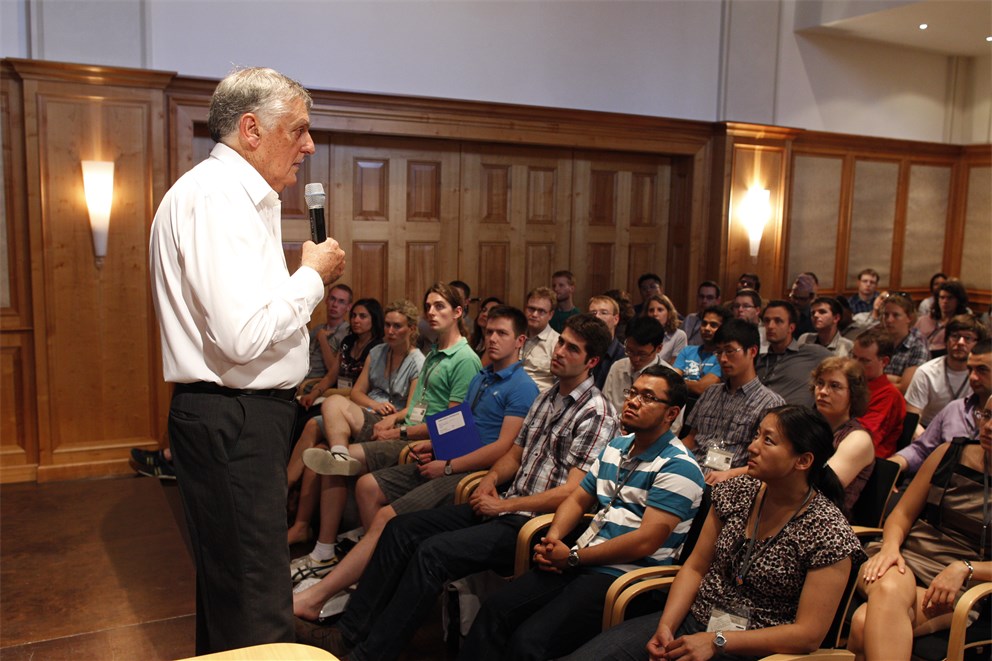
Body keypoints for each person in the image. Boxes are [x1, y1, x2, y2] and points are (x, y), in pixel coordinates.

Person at [148, 67, 346, 654]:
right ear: (252, 129)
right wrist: (311, 276)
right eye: (300, 131)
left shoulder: (234, 198)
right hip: (235, 418)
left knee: (234, 593)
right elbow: (242, 336)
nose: (309, 146)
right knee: (257, 599)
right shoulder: (217, 199)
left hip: (238, 415)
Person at [297, 314, 619, 660]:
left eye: (572, 348)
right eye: (562, 342)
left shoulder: (595, 412)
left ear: (592, 362)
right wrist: (492, 482)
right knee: (399, 528)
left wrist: (499, 501)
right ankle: (349, 634)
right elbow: (512, 454)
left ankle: (369, 653)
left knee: (431, 553)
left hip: (536, 524)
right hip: (503, 501)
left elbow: (573, 491)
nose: (560, 351)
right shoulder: (545, 396)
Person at [292, 306, 538, 619]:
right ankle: (376, 575)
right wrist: (433, 444)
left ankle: (321, 596)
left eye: (501, 333)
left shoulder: (523, 387)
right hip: (451, 454)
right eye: (489, 331)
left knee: (385, 517)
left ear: (519, 340)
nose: (492, 338)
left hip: (473, 472)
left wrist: (447, 465)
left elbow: (504, 449)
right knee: (367, 487)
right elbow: (459, 422)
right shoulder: (482, 377)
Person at [565, 406, 866, 661]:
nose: (752, 446)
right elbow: (695, 567)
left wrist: (717, 641)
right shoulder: (735, 492)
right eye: (757, 435)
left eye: (768, 441)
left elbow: (808, 634)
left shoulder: (828, 532)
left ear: (803, 461)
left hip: (758, 648)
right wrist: (666, 627)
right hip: (693, 621)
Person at [460, 365, 706, 661]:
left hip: (623, 577)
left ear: (671, 414)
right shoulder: (617, 446)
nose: (633, 401)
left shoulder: (679, 465)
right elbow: (578, 499)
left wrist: (573, 557)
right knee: (496, 610)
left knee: (529, 641)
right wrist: (552, 540)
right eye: (633, 392)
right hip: (581, 558)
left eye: (648, 397)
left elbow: (646, 542)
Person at [847, 394, 992, 661]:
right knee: (889, 587)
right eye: (987, 415)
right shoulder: (949, 453)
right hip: (904, 559)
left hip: (959, 586)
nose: (989, 426)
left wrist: (966, 568)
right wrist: (890, 548)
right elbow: (901, 513)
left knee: (862, 623)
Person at [285, 300, 424, 546]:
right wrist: (374, 404)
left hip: (391, 421)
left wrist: (390, 414)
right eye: (388, 325)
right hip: (368, 411)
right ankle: (299, 520)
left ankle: (285, 492)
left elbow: (412, 409)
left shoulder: (417, 361)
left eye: (397, 326)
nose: (390, 331)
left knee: (328, 409)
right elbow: (358, 392)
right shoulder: (378, 351)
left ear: (411, 329)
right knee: (318, 436)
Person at [682, 319, 786, 485]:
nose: (723, 359)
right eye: (719, 352)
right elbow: (692, 438)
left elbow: (770, 460)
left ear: (752, 351)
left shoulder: (770, 403)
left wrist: (731, 474)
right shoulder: (711, 392)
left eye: (730, 351)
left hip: (733, 482)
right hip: (691, 472)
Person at [893, 339, 992, 476]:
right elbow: (921, 450)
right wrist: (892, 466)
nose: (973, 377)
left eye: (982, 370)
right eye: (970, 369)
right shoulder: (955, 409)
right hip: (940, 487)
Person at [812, 357, 876, 513]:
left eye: (835, 386)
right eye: (820, 383)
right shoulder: (810, 425)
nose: (823, 391)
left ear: (853, 394)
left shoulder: (858, 439)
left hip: (825, 523)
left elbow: (821, 490)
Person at [299, 298, 384, 408]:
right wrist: (313, 395)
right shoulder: (348, 342)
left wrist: (331, 394)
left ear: (374, 320)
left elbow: (370, 388)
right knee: (302, 408)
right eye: (353, 315)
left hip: (359, 400)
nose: (356, 320)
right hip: (336, 394)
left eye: (362, 316)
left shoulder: (378, 348)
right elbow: (331, 377)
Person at [905, 315, 985, 428]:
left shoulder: (984, 375)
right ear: (946, 340)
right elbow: (912, 417)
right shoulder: (926, 372)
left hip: (968, 430)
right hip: (929, 429)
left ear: (979, 344)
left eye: (968, 338)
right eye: (955, 336)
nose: (960, 342)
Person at [755, 300, 831, 408]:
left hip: (793, 420)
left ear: (791, 327)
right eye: (767, 321)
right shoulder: (759, 360)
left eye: (778, 321)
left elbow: (844, 367)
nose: (770, 326)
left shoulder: (812, 354)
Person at [852, 328, 906, 458]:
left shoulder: (889, 395)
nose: (855, 364)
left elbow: (862, 438)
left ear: (884, 362)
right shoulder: (852, 383)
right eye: (854, 357)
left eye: (864, 361)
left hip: (866, 462)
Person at [603, 316, 670, 414]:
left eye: (642, 354)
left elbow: (673, 426)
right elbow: (605, 408)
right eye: (630, 351)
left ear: (659, 348)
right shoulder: (617, 367)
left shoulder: (669, 378)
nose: (635, 359)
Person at [298, 284, 353, 397]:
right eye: (332, 299)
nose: (335, 305)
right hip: (300, 376)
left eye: (341, 302)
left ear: (348, 307)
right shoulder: (318, 328)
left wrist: (323, 340)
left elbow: (334, 370)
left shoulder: (347, 333)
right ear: (326, 301)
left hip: (317, 382)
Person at [673, 304, 729, 399]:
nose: (706, 328)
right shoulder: (687, 350)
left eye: (713, 325)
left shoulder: (722, 357)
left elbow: (701, 388)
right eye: (704, 323)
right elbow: (671, 380)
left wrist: (679, 382)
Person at [881, 291, 930, 394]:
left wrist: (875, 380)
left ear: (909, 318)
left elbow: (905, 389)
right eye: (886, 314)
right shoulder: (876, 339)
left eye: (896, 315)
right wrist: (897, 379)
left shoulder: (917, 346)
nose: (889, 320)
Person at [914, 280, 969, 358]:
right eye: (942, 297)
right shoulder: (923, 320)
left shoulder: (962, 325)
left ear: (958, 300)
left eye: (950, 298)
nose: (945, 301)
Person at [521, 286, 560, 392]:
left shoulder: (557, 342)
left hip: (539, 402)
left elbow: (560, 384)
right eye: (531, 309)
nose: (534, 314)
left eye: (541, 311)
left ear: (551, 315)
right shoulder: (516, 336)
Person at [588, 295, 626, 390]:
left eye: (604, 313)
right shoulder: (583, 350)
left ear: (616, 319)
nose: (597, 317)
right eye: (593, 313)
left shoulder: (623, 356)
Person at [642, 294, 688, 364]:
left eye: (660, 310)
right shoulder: (640, 334)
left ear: (669, 313)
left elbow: (675, 368)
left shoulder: (679, 336)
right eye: (651, 310)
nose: (655, 314)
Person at [682, 281, 721, 346]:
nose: (704, 301)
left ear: (718, 301)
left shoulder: (721, 322)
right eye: (701, 296)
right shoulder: (690, 318)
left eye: (709, 298)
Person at [732, 287, 768, 353]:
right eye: (737, 306)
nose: (740, 310)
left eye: (746, 306)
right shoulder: (728, 331)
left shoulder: (767, 333)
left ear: (757, 310)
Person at [788, 273, 817, 339]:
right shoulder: (786, 311)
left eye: (801, 299)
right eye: (794, 297)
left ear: (811, 297)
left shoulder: (815, 316)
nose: (796, 301)